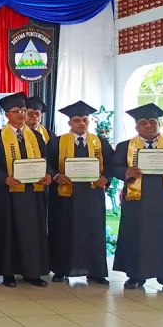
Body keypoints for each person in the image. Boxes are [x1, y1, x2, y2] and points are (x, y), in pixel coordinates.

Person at [112, 103, 163, 293]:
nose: (149, 125)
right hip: (138, 200)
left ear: (158, 124)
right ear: (136, 127)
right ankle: (136, 276)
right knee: (137, 236)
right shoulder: (126, 146)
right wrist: (126, 172)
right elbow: (113, 167)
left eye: (153, 121)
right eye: (144, 122)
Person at [0, 92, 52, 288]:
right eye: (17, 111)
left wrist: (48, 174)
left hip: (32, 194)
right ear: (7, 115)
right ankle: (8, 273)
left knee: (32, 231)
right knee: (8, 231)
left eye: (24, 111)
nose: (22, 114)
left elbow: (45, 160)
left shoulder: (37, 137)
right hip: (7, 194)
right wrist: (4, 178)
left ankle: (33, 272)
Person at [47, 101, 114, 284]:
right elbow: (47, 163)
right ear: (70, 123)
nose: (82, 123)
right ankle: (61, 270)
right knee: (64, 230)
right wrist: (55, 176)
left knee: (93, 231)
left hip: (92, 196)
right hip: (65, 195)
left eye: (85, 120)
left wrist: (106, 178)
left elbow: (112, 164)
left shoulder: (99, 142)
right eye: (77, 120)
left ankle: (96, 272)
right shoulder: (57, 142)